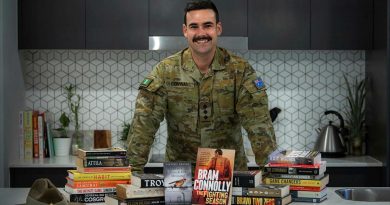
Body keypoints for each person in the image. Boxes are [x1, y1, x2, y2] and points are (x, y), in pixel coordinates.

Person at [127, 0, 276, 172]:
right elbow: (144, 123)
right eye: (194, 26)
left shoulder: (240, 70)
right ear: (185, 31)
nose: (201, 33)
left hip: (228, 176)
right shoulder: (165, 71)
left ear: (218, 28)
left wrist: (272, 174)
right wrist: (132, 173)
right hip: (181, 177)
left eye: (207, 26)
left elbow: (258, 124)